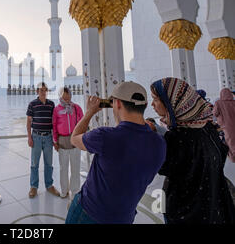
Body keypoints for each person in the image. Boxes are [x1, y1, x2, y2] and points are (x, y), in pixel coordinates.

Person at [65, 81, 166, 224]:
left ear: (117, 104)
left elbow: (74, 139)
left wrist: (90, 112)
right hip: (124, 216)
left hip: (89, 212)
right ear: (144, 105)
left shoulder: (105, 137)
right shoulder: (159, 143)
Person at [151, 77, 235, 224]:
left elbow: (162, 167)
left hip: (188, 212)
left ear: (172, 103)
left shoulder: (178, 137)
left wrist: (152, 136)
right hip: (216, 205)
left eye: (156, 99)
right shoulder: (209, 128)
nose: (152, 104)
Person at [26, 82, 60, 198]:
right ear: (37, 91)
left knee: (49, 164)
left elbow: (54, 123)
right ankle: (33, 187)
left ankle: (49, 185)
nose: (43, 92)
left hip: (48, 138)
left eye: (45, 90)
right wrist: (29, 137)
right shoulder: (32, 104)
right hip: (36, 137)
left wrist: (55, 140)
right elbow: (29, 122)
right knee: (34, 164)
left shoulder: (51, 104)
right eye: (41, 90)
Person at [52, 87, 84, 199]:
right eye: (64, 96)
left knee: (75, 168)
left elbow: (82, 123)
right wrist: (55, 141)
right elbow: (54, 126)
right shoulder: (57, 110)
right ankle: (64, 190)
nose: (67, 98)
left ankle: (75, 191)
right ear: (61, 96)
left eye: (68, 95)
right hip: (62, 142)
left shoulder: (77, 108)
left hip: (75, 141)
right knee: (63, 168)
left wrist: (82, 137)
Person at [213, 88, 235, 163]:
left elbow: (214, 113)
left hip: (226, 126)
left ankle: (233, 158)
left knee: (229, 142)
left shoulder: (218, 103)